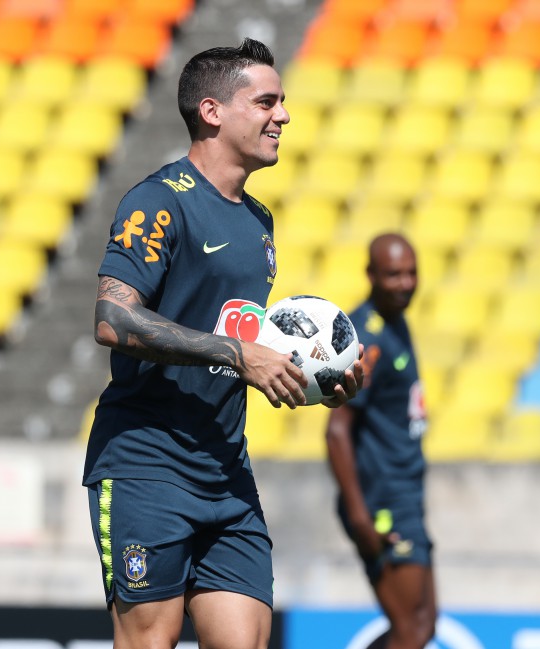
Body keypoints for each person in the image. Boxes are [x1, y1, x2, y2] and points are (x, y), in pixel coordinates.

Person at [83, 38, 362, 649]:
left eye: (282, 102)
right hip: (146, 466)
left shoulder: (257, 220)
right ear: (212, 111)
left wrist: (313, 380)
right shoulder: (158, 202)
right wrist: (239, 355)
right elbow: (113, 320)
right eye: (267, 102)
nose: (283, 116)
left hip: (225, 470)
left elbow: (243, 340)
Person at [325, 233, 436, 649]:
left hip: (404, 495)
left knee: (423, 625)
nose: (405, 283)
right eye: (393, 275)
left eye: (411, 273)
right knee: (411, 630)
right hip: (380, 502)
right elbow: (337, 429)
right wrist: (358, 513)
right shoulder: (365, 339)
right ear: (371, 275)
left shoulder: (396, 322)